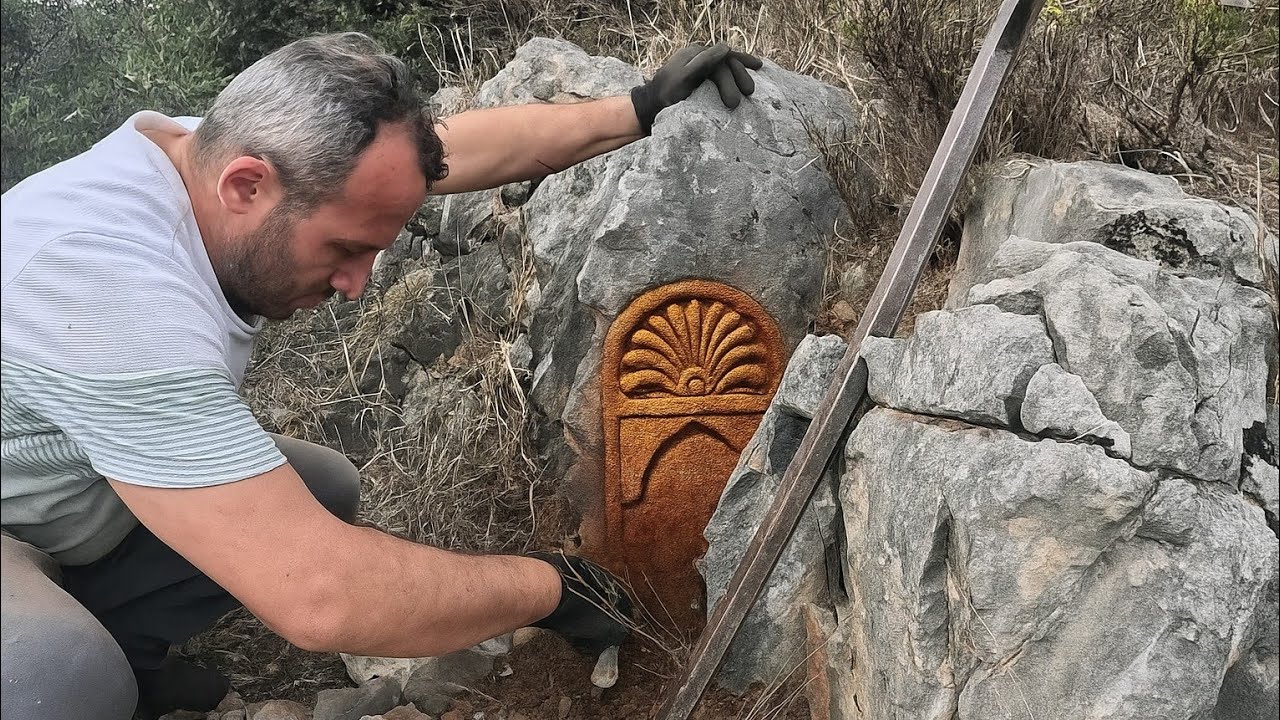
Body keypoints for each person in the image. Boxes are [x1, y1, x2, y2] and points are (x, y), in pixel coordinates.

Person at [0, 32, 762, 720]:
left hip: (53, 481)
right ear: (246, 187)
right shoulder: (107, 289)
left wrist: (637, 106)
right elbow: (318, 593)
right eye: (343, 249)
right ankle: (93, 669)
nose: (357, 285)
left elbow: (444, 153)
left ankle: (129, 657)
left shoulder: (220, 162)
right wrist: (550, 588)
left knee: (319, 487)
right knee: (58, 677)